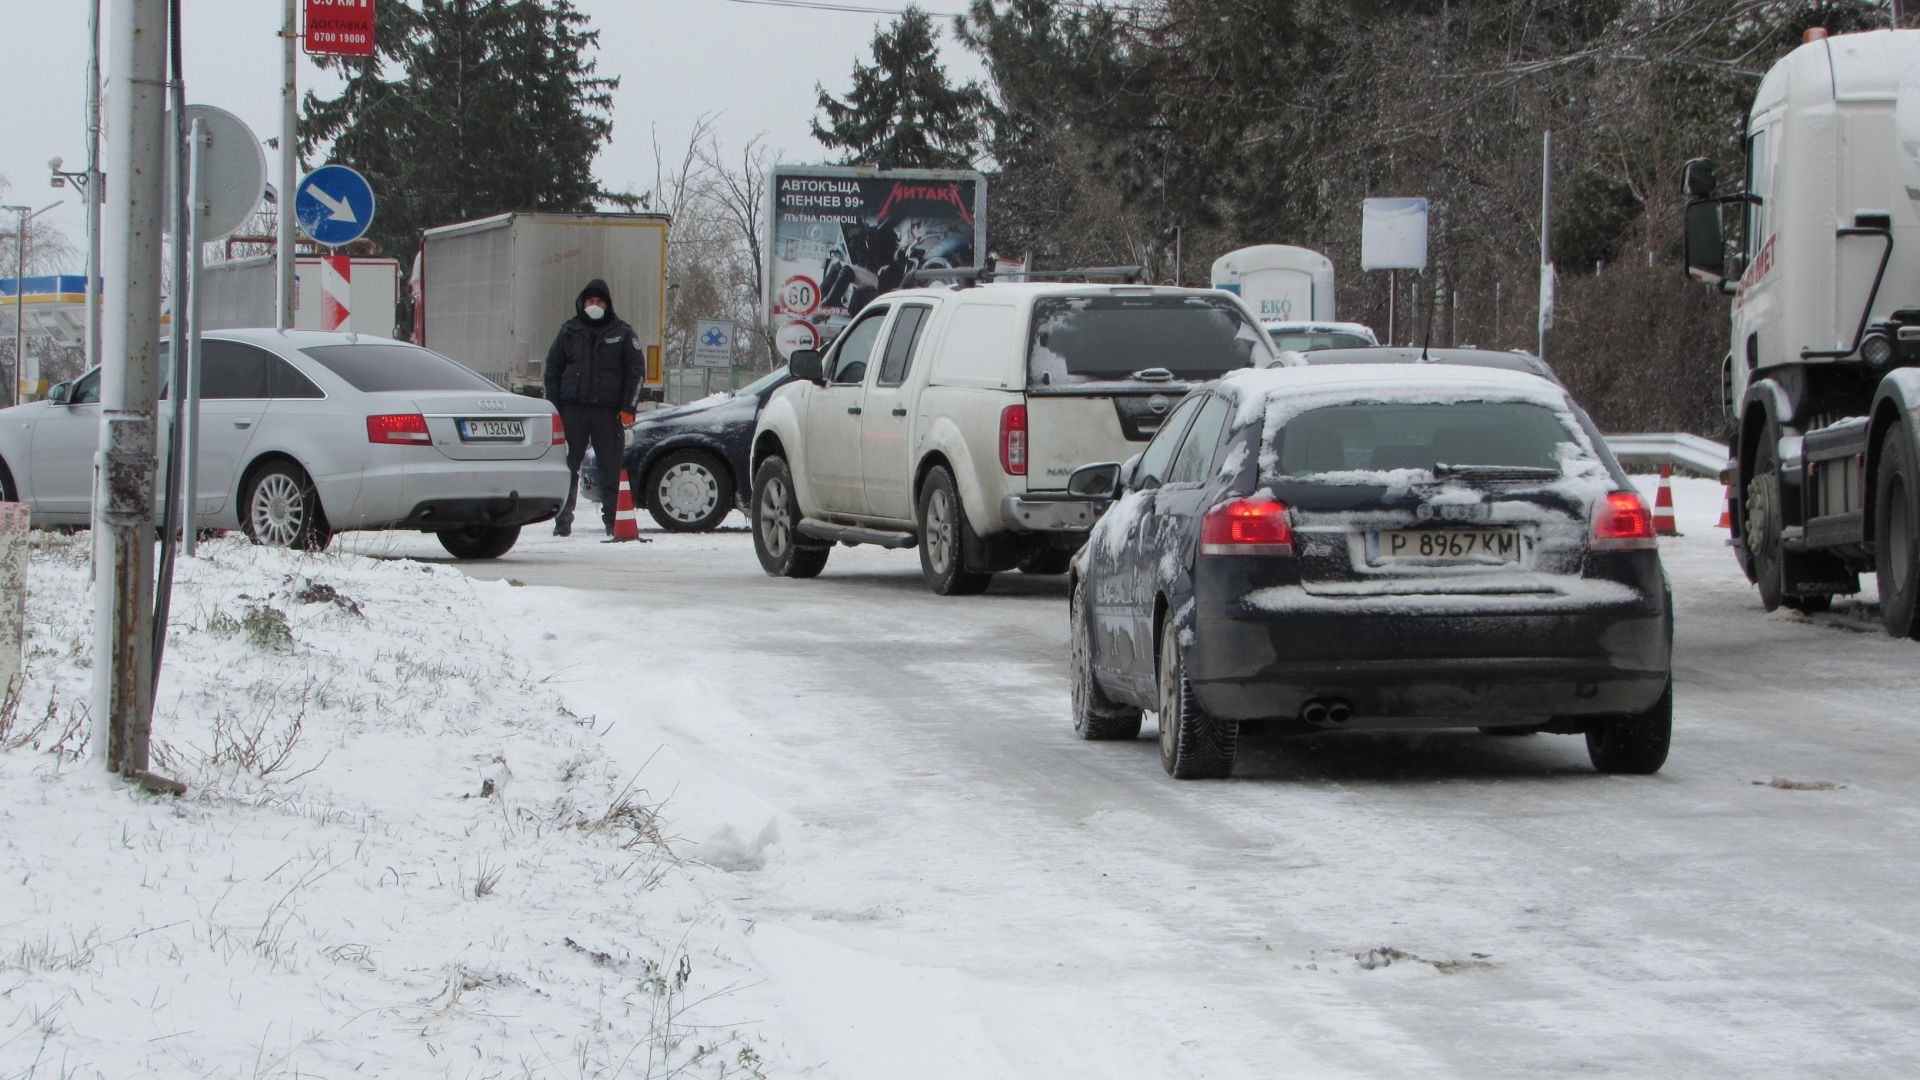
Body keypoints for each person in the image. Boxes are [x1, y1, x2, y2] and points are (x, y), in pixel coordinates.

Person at [544, 278, 644, 536]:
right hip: (572, 411)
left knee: (610, 468)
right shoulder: (568, 332)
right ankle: (562, 523)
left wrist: (628, 407)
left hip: (608, 413)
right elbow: (553, 370)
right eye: (590, 301)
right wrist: (554, 408)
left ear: (608, 304)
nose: (594, 305)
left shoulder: (622, 333)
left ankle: (614, 521)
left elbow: (636, 372)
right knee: (568, 466)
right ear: (582, 303)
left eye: (599, 301)